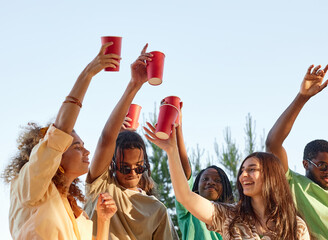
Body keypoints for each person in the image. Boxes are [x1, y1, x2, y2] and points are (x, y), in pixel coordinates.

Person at [3, 42, 118, 240]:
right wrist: (87, 74)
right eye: (77, 146)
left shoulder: (76, 213)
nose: (86, 152)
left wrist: (104, 219)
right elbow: (59, 132)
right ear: (56, 155)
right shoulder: (31, 186)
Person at [144, 124, 310, 240]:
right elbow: (185, 196)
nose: (243, 175)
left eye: (251, 169)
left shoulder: (296, 226)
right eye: (242, 170)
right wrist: (171, 151)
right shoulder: (230, 216)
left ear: (271, 176)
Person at [84, 44, 176, 240]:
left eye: (139, 166)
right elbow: (106, 139)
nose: (133, 173)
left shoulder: (157, 210)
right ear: (113, 164)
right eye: (125, 168)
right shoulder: (102, 186)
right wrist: (134, 84)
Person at [265, 64, 328, 239]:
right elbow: (273, 143)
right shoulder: (294, 184)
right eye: (322, 166)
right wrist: (302, 97)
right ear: (306, 164)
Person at [174, 107, 234, 239]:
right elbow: (183, 172)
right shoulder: (189, 210)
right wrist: (178, 128)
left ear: (225, 188)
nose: (210, 182)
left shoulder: (233, 215)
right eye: (205, 179)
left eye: (217, 180)